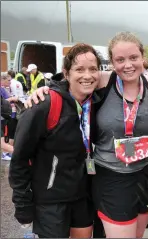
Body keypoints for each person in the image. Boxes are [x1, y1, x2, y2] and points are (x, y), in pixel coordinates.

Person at [25, 32, 148, 238]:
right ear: (112, 62)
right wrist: (44, 90)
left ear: (143, 57)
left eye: (134, 58)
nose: (128, 65)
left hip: (144, 175)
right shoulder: (105, 81)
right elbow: (72, 82)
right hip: (111, 175)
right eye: (120, 60)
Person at [8, 43, 101, 238]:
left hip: (83, 197)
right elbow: (19, 158)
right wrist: (23, 204)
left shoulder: (95, 103)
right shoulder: (44, 104)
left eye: (93, 69)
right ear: (66, 73)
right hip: (51, 201)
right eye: (79, 69)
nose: (88, 75)